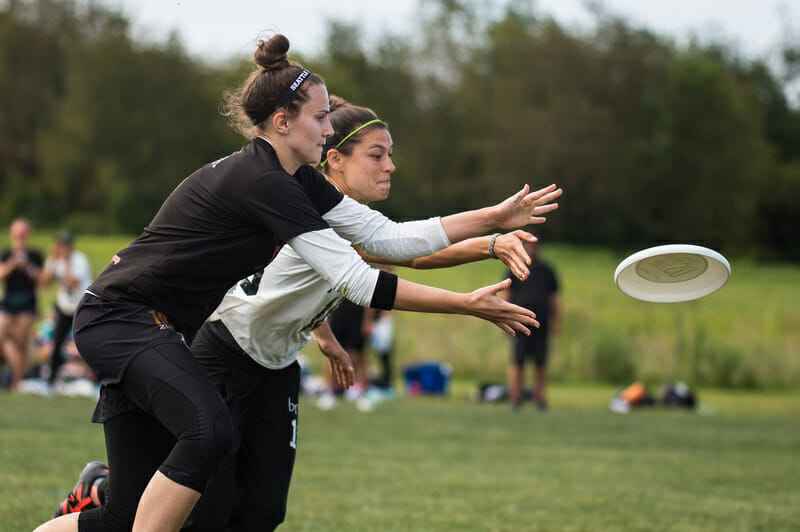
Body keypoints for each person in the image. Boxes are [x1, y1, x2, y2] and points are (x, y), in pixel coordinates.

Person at [35, 34, 558, 532]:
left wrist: (494, 217)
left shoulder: (294, 179)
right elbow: (358, 280)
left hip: (151, 329)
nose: (329, 129)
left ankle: (90, 498)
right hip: (121, 321)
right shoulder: (265, 182)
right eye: (321, 116)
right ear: (283, 122)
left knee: (126, 518)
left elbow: (391, 238)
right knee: (210, 432)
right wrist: (467, 300)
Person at [503, 239, 561, 411]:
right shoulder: (515, 268)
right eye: (529, 246)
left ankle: (539, 398)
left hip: (542, 324)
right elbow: (507, 295)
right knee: (517, 362)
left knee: (540, 364)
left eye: (535, 246)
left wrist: (557, 322)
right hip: (519, 324)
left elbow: (555, 300)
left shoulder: (547, 271)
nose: (532, 249)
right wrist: (505, 320)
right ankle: (516, 398)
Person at [38, 230, 93, 390]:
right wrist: (54, 262)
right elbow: (44, 282)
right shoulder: (55, 260)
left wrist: (66, 263)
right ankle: (51, 380)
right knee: (57, 342)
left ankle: (92, 377)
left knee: (86, 343)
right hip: (64, 307)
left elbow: (72, 284)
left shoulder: (79, 259)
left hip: (81, 307)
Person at [0, 218, 43, 392]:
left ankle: (16, 383)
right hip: (9, 300)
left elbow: (42, 279)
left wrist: (27, 267)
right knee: (2, 336)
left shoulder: (35, 255)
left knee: (21, 340)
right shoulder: (6, 254)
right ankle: (17, 374)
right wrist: (12, 264)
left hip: (27, 301)